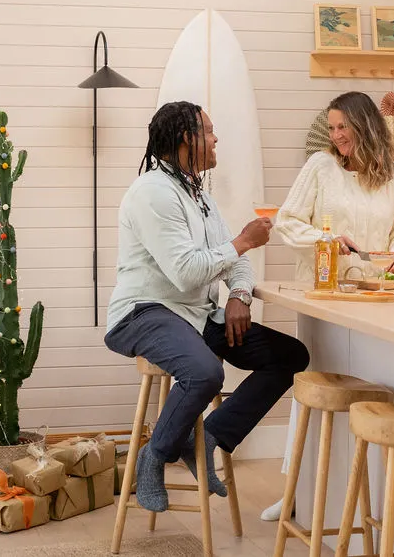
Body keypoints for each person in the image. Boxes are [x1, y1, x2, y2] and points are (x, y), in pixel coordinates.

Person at [105, 101, 310, 513]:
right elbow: (185, 272)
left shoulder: (197, 192)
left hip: (196, 314)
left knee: (290, 356)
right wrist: (243, 241)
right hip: (145, 311)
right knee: (204, 371)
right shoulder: (152, 193)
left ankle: (208, 437)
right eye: (210, 131)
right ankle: (154, 455)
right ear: (187, 138)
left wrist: (239, 295)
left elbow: (236, 262)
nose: (217, 139)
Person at [260, 90, 394, 521]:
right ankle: (297, 488)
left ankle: (348, 497)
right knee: (315, 387)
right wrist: (327, 241)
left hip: (377, 297)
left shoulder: (393, 176)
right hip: (325, 294)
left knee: (370, 388)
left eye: (342, 128)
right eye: (331, 129)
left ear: (364, 126)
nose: (336, 137)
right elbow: (288, 221)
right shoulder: (320, 167)